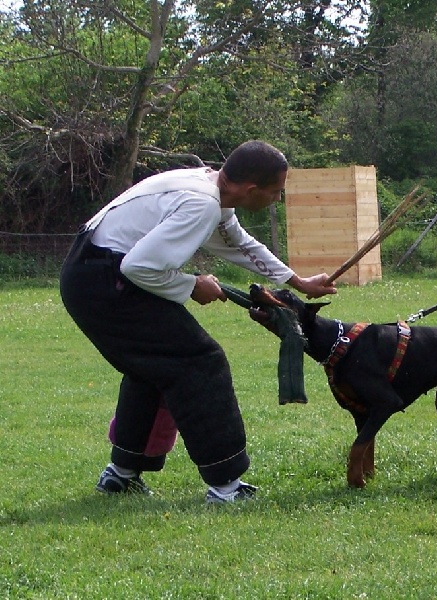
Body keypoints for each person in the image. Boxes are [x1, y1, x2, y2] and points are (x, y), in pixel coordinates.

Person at [60, 140, 337, 504]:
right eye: (275, 193)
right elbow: (138, 267)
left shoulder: (209, 188)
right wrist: (192, 285)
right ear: (252, 189)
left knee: (155, 367)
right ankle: (226, 487)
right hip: (106, 279)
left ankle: (122, 474)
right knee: (200, 361)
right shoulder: (202, 203)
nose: (276, 200)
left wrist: (296, 282)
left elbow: (238, 244)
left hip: (89, 273)